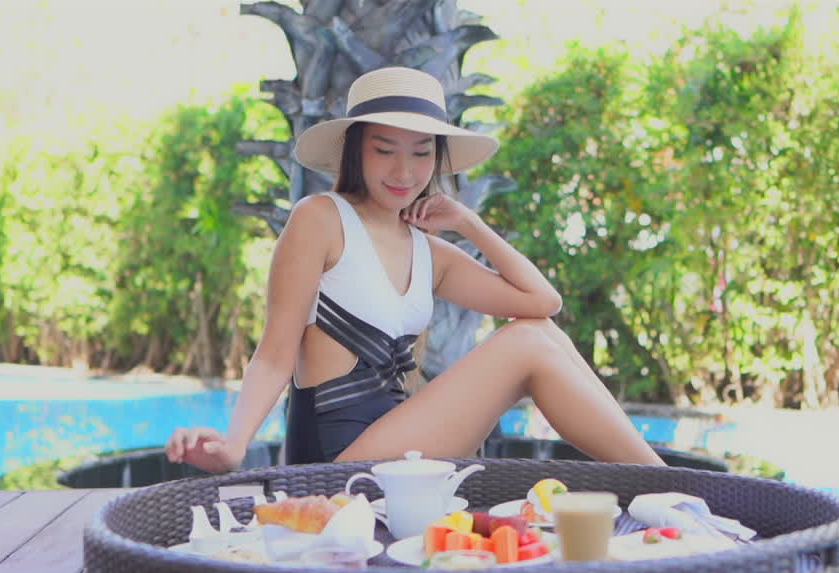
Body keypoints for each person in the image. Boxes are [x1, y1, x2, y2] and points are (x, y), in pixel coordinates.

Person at [165, 66, 665, 472]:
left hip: (401, 439)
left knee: (542, 334)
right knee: (527, 343)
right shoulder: (320, 219)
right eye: (385, 150)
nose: (404, 172)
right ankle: (674, 490)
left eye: (422, 153)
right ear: (355, 149)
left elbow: (542, 304)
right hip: (337, 461)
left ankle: (664, 483)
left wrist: (468, 222)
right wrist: (234, 445)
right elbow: (275, 355)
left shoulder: (428, 251)